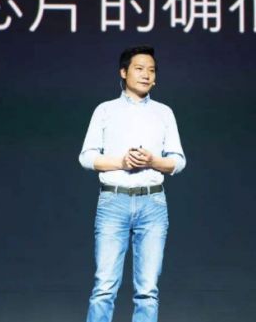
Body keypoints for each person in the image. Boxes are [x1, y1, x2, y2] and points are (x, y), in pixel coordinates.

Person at [79, 45, 186, 322]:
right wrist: (122, 162)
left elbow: (178, 161)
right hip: (113, 201)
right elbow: (86, 157)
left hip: (153, 203)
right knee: (104, 287)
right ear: (123, 72)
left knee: (148, 291)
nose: (146, 75)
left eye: (151, 70)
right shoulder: (105, 110)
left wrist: (152, 160)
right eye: (139, 69)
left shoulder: (164, 113)